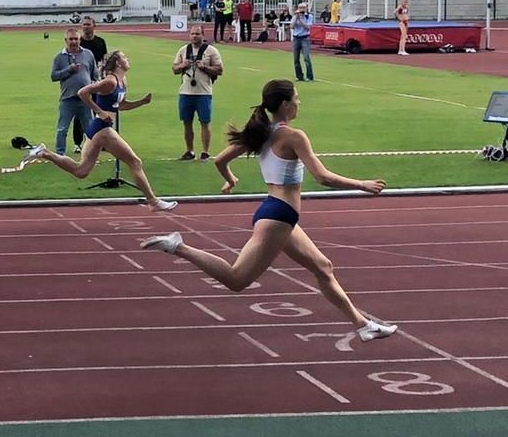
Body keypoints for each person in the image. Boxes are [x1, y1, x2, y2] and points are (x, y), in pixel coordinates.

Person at [140, 79, 397, 343]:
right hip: (278, 217)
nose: (299, 103)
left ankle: (363, 325)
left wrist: (230, 180)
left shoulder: (262, 132)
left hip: (279, 214)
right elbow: (322, 177)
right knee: (236, 279)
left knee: (323, 267)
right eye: (296, 98)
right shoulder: (293, 136)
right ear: (285, 104)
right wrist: (361, 185)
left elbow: (220, 160)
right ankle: (178, 246)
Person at [24, 52, 177, 212]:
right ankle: (153, 201)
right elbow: (83, 92)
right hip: (102, 129)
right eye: (124, 57)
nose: (128, 59)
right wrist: (100, 112)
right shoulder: (109, 81)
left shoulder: (122, 80)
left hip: (97, 129)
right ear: (118, 63)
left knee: (81, 171)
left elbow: (121, 105)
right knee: (135, 162)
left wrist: (142, 102)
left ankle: (44, 152)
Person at [173, 24, 223, 161]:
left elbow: (219, 70)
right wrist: (183, 65)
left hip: (203, 92)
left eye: (197, 34)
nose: (194, 36)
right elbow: (174, 69)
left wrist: (205, 67)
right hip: (186, 92)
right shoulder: (183, 50)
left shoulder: (211, 51)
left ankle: (205, 152)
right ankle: (189, 151)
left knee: (205, 122)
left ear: (203, 35)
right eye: (192, 34)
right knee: (186, 122)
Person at [51, 28, 99, 155]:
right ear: (65, 40)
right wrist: (69, 70)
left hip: (85, 100)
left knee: (90, 128)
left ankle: (91, 153)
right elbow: (54, 76)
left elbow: (95, 74)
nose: (74, 42)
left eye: (76, 39)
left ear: (80, 39)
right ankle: (59, 154)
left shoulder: (88, 54)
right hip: (68, 99)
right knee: (62, 129)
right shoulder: (59, 58)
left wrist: (93, 84)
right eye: (71, 39)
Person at [73, 16, 108, 151]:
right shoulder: (78, 42)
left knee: (99, 111)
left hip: (97, 82)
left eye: (88, 24)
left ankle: (101, 141)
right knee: (80, 112)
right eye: (84, 24)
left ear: (94, 26)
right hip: (82, 82)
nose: (86, 27)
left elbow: (104, 61)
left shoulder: (100, 42)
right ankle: (77, 143)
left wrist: (103, 77)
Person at [291, 2, 315, 82]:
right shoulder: (295, 16)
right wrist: (296, 18)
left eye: (303, 8)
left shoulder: (309, 16)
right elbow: (292, 26)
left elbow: (307, 27)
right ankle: (299, 76)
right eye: (300, 8)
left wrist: (300, 20)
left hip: (305, 38)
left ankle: (310, 76)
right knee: (296, 59)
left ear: (306, 8)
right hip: (296, 38)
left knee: (306, 58)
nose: (301, 9)